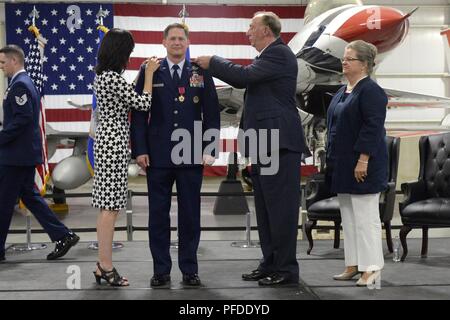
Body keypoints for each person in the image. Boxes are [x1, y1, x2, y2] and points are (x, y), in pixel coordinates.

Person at [194, 12, 309, 286]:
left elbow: (242, 77)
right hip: (265, 145)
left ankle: (286, 270)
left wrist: (213, 62)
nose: (248, 31)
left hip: (279, 144)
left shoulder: (279, 54)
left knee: (281, 211)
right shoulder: (267, 57)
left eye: (251, 27)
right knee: (267, 210)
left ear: (267, 31)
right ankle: (270, 262)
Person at [131, 23, 220, 287]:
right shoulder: (149, 70)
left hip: (191, 154)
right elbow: (138, 114)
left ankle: (189, 269)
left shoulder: (200, 72)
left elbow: (212, 112)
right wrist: (140, 150)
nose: (177, 42)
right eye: (172, 38)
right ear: (164, 42)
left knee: (190, 216)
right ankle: (161, 270)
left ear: (188, 42)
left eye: (181, 38)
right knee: (158, 215)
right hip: (157, 157)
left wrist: (210, 147)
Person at [92, 28, 160, 286]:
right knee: (110, 208)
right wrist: (150, 74)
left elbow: (126, 96)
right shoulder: (111, 77)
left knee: (107, 208)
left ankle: (102, 264)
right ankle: (106, 266)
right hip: (113, 144)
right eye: (128, 51)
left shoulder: (104, 76)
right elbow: (143, 103)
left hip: (106, 142)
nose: (130, 56)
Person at [0, 45, 79, 262]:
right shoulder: (23, 83)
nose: (2, 67)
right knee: (30, 197)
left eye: (3, 62)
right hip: (21, 154)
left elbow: (22, 119)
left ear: (14, 61)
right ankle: (64, 235)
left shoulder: (20, 86)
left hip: (16, 156)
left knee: (3, 201)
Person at [326, 40, 387, 286]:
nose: (344, 61)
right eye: (344, 58)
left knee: (366, 218)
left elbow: (372, 128)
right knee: (349, 218)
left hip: (363, 164)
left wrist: (363, 159)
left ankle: (372, 268)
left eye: (349, 58)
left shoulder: (371, 91)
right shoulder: (344, 90)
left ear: (364, 64)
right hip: (342, 164)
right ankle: (353, 264)